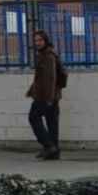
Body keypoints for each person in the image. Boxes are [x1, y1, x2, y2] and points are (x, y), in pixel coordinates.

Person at [27, 31, 64, 160]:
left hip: (46, 95)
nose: (37, 43)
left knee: (33, 117)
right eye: (36, 40)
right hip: (52, 95)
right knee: (52, 122)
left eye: (40, 40)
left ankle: (48, 146)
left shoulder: (48, 56)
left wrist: (48, 98)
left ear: (45, 41)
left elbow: (50, 78)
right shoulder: (48, 54)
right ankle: (54, 151)